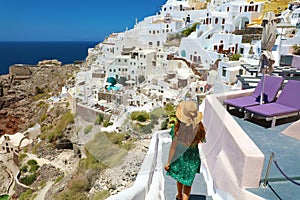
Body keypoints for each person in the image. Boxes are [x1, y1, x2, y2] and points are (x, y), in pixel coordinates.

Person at [164, 101, 206, 200]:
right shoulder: (199, 129)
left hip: (180, 159)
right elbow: (200, 141)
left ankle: (179, 195)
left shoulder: (177, 130)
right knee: (187, 183)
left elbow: (173, 147)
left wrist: (169, 162)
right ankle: (184, 196)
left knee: (180, 178)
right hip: (193, 160)